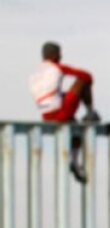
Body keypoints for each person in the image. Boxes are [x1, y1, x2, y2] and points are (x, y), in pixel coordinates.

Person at [28, 41, 98, 183]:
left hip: (46, 115)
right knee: (81, 82)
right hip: (60, 112)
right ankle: (91, 112)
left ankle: (75, 162)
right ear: (54, 56)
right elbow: (87, 76)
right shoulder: (57, 67)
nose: (61, 56)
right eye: (59, 54)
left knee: (75, 127)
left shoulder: (35, 73)